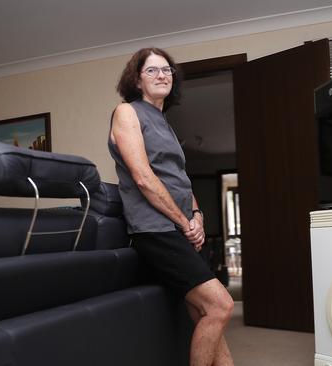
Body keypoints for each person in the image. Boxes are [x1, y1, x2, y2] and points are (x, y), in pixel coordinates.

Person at [108, 47, 235, 366]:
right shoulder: (126, 113)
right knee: (221, 306)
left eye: (166, 70)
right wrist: (183, 221)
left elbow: (180, 179)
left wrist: (197, 215)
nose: (162, 75)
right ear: (137, 80)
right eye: (151, 70)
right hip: (155, 230)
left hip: (179, 227)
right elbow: (143, 177)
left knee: (206, 312)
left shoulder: (165, 122)